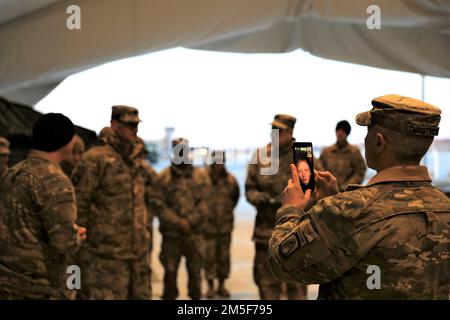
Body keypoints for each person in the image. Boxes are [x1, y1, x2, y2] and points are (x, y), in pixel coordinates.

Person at [269, 94, 450, 299]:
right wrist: (334, 200)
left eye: (368, 131)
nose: (365, 139)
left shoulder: (347, 210)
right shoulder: (444, 205)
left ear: (379, 142)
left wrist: (291, 209)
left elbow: (282, 263)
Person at [0, 113, 87, 299]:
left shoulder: (13, 172)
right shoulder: (54, 180)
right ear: (65, 141)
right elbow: (64, 243)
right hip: (39, 286)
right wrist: (77, 236)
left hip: (8, 282)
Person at [71, 105, 152, 299]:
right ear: (114, 125)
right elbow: (79, 205)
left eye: (136, 125)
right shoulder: (95, 159)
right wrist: (81, 250)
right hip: (107, 257)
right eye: (129, 125)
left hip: (138, 254)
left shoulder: (137, 159)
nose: (135, 129)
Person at [245, 114, 308, 300]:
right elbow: (250, 189)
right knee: (266, 288)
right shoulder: (262, 155)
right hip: (266, 233)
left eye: (279, 131)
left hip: (297, 234)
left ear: (290, 132)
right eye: (273, 130)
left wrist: (295, 203)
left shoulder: (302, 155)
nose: (274, 134)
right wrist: (260, 198)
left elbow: (313, 192)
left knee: (296, 289)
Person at [154, 138, 210, 300]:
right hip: (172, 237)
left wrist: (191, 221)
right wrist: (177, 222)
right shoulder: (163, 178)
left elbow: (206, 202)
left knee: (195, 274)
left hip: (194, 235)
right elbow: (157, 204)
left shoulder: (200, 176)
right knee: (170, 275)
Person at [203, 150, 240, 299]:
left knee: (224, 257)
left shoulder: (231, 180)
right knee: (209, 257)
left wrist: (225, 213)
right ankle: (210, 286)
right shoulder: (203, 179)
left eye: (221, 161)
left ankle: (222, 285)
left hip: (224, 226)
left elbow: (235, 198)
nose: (218, 165)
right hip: (208, 226)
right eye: (216, 161)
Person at [319, 120, 366, 191]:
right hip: (328, 190)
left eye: (343, 130)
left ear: (347, 133)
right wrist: (327, 183)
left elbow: (360, 172)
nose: (340, 133)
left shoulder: (354, 152)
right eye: (338, 130)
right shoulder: (326, 152)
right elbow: (320, 169)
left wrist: (346, 186)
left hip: (347, 192)